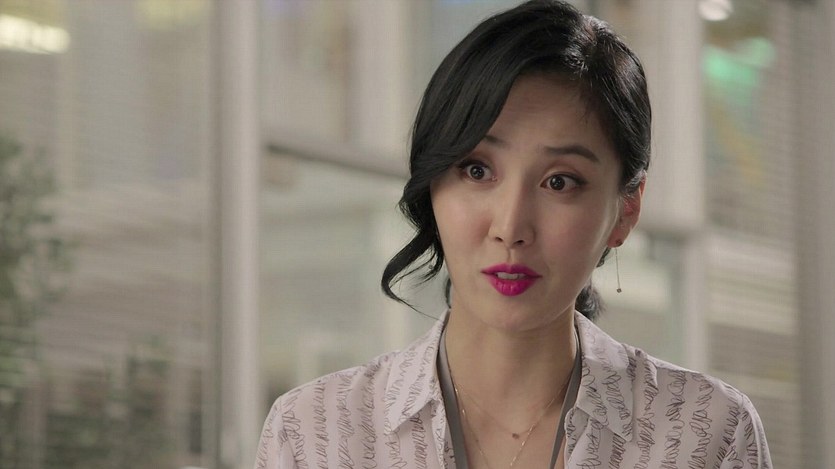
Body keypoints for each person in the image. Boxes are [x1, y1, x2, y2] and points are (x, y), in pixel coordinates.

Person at [254, 1, 772, 468]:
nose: (510, 228)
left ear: (626, 209)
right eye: (477, 170)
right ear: (433, 186)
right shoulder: (314, 434)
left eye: (560, 182)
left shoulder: (705, 435)